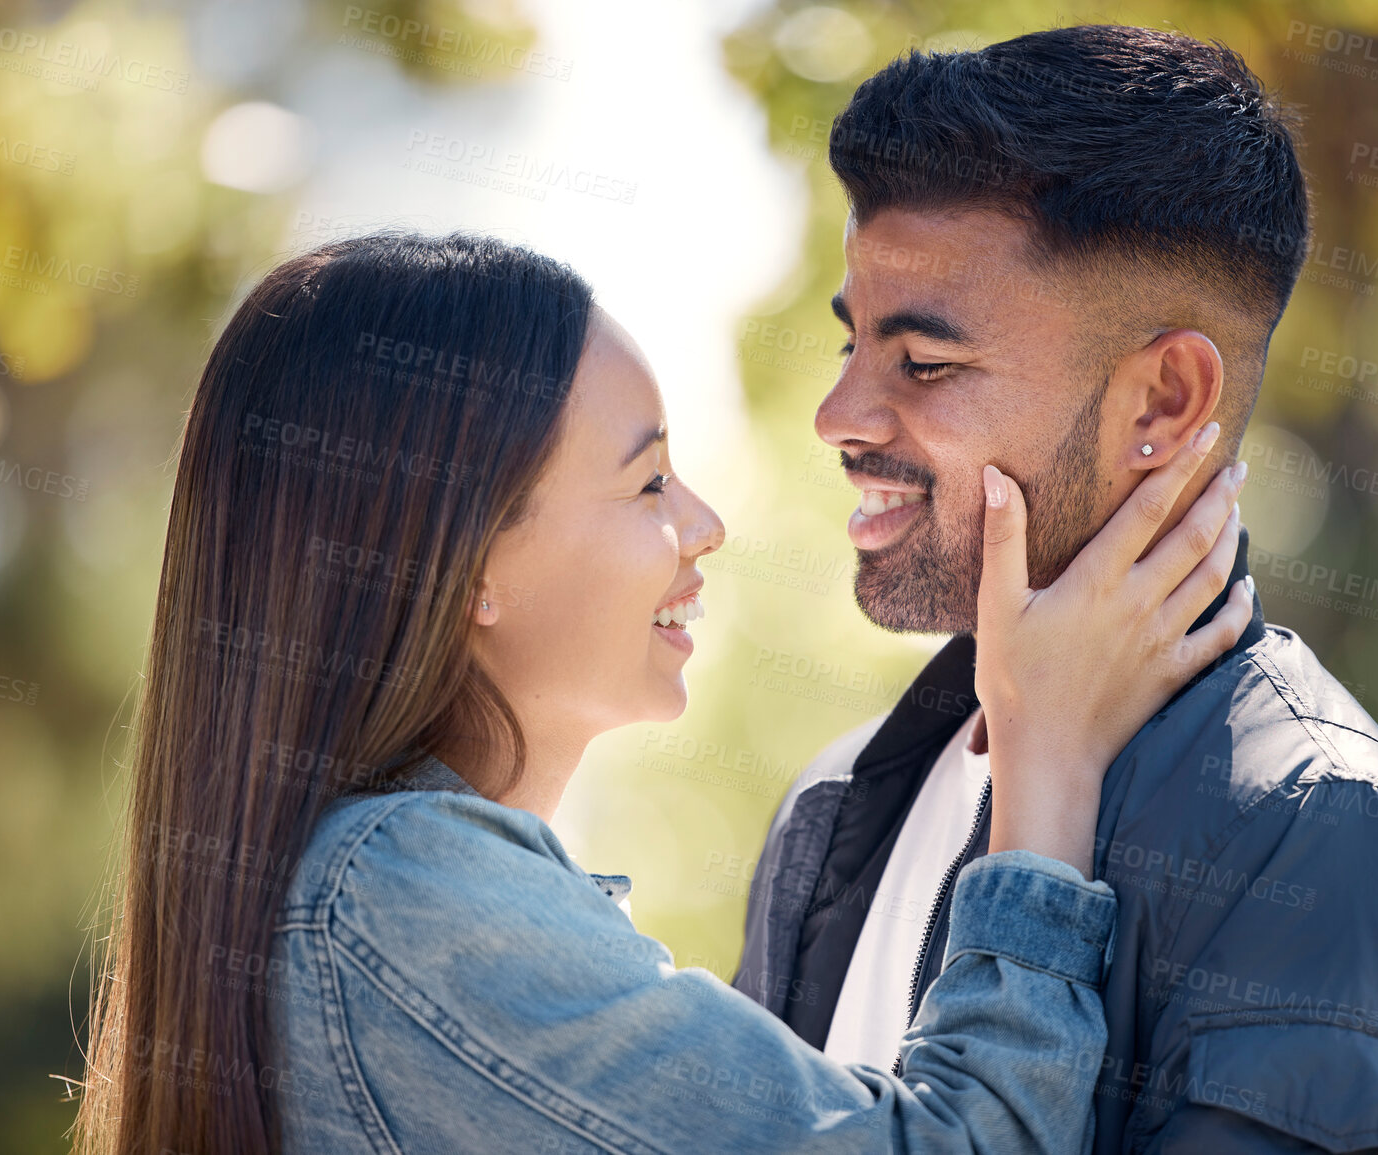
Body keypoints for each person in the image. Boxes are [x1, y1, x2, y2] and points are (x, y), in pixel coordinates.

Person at [70, 232, 1251, 1154]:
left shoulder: (374, 895)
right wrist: (1047, 767)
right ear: (467, 559)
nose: (705, 526)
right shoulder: (401, 898)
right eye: (646, 485)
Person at [735, 25, 1378, 1155]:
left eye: (923, 364)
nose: (839, 417)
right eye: (853, 346)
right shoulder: (834, 806)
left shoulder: (1329, 844)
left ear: (1164, 401)